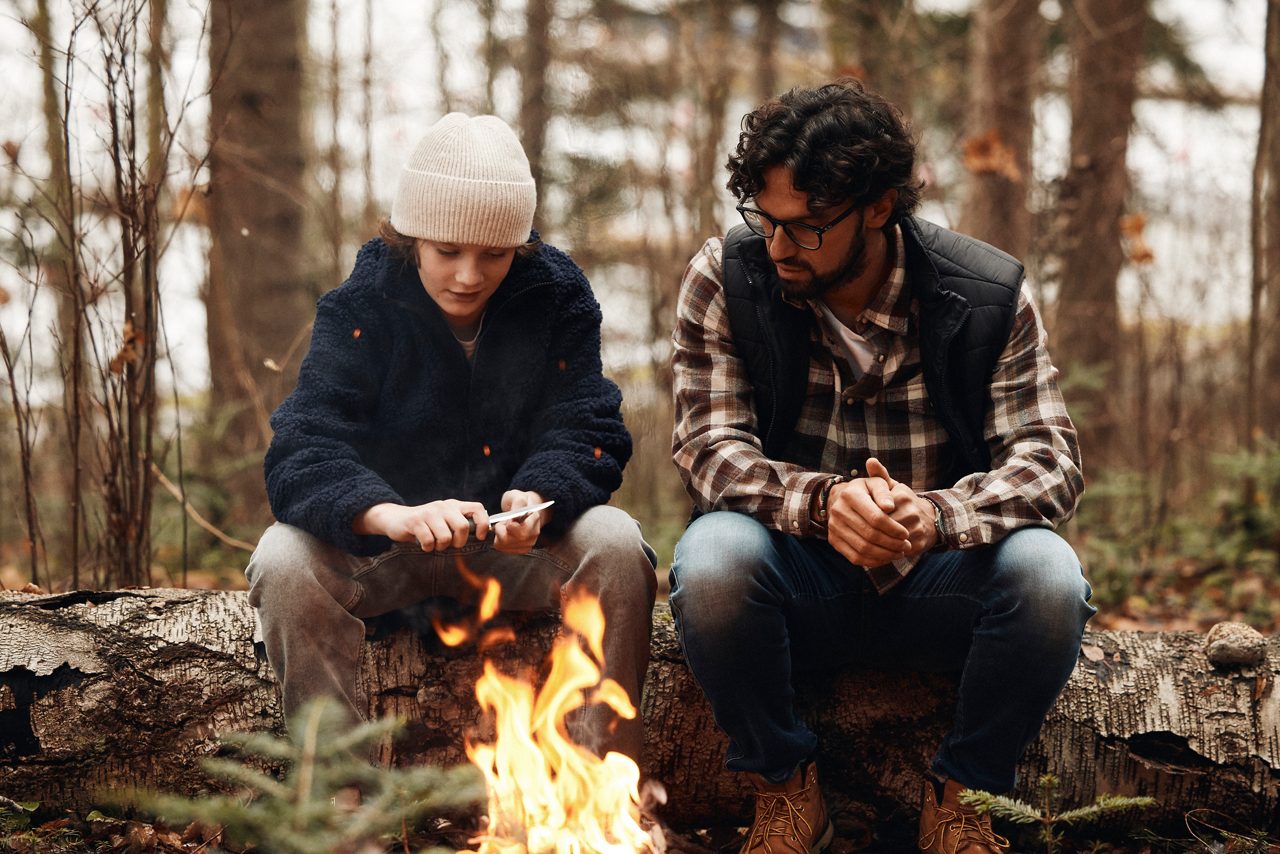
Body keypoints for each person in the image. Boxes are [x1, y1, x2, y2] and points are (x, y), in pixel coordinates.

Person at [669, 79, 1094, 854]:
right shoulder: (729, 279)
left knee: (1048, 577)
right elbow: (708, 447)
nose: (777, 245)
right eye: (764, 219)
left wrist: (936, 518)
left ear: (879, 205)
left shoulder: (986, 294)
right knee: (713, 559)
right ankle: (786, 791)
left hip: (941, 579)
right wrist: (827, 505)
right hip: (796, 576)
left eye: (807, 227)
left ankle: (966, 801)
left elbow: (1050, 458)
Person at [246, 112, 658, 764]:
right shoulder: (360, 307)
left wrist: (540, 498)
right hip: (386, 549)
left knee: (615, 542)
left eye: (493, 254)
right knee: (282, 559)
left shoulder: (557, 297)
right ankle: (343, 810)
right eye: (448, 252)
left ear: (518, 248)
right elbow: (304, 447)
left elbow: (588, 424)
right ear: (412, 239)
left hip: (509, 548)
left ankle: (601, 791)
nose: (468, 275)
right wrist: (393, 516)